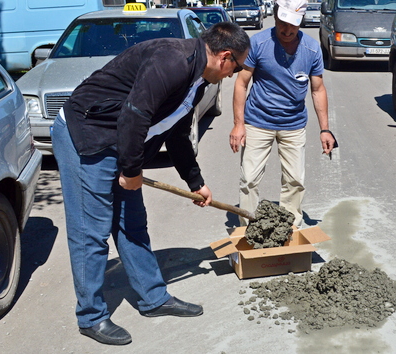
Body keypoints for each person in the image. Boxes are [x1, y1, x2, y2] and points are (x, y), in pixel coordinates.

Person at [53, 22, 250, 346]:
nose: (234, 75)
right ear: (225, 57)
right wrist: (131, 171)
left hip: (121, 144)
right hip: (87, 138)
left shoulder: (199, 80)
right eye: (237, 67)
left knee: (132, 223)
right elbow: (134, 115)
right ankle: (91, 316)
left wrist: (195, 181)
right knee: (91, 231)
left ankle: (153, 298)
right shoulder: (172, 62)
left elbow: (176, 131)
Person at [229, 0, 337, 227]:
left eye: (293, 26)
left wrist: (325, 130)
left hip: (293, 125)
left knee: (295, 181)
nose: (287, 31)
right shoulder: (258, 43)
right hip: (257, 122)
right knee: (248, 180)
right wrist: (238, 124)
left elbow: (317, 89)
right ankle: (249, 228)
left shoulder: (311, 49)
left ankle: (289, 228)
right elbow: (241, 83)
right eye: (282, 24)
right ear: (275, 17)